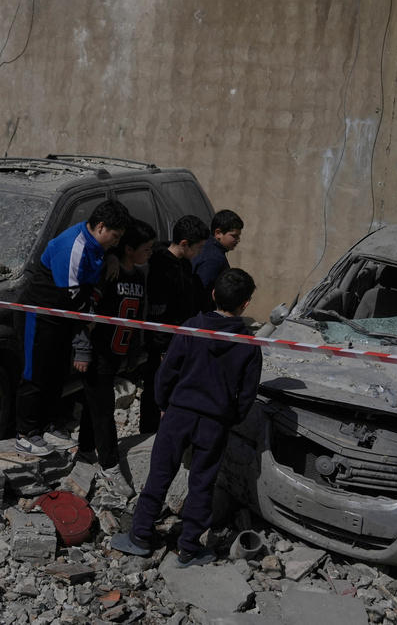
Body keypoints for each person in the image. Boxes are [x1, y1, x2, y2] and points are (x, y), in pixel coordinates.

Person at [111, 268, 262, 568]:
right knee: (202, 482)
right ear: (245, 305)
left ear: (213, 294)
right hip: (214, 422)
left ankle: (140, 536)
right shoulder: (249, 345)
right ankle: (189, 548)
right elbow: (247, 395)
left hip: (178, 414)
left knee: (159, 475)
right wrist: (229, 418)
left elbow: (166, 373)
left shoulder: (192, 327)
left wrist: (164, 403)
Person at [15, 199, 132, 456]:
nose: (117, 242)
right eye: (115, 237)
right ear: (101, 227)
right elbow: (75, 298)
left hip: (64, 317)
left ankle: (48, 425)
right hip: (40, 314)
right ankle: (25, 433)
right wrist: (89, 323)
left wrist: (112, 253)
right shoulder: (73, 247)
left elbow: (81, 295)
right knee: (35, 375)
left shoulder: (96, 242)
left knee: (56, 374)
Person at [73, 218, 156, 496]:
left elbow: (136, 317)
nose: (150, 253)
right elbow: (86, 312)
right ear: (128, 248)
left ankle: (85, 450)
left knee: (94, 406)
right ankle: (110, 468)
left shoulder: (139, 276)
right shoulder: (108, 272)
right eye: (146, 248)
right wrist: (83, 350)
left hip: (118, 352)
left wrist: (133, 353)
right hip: (98, 353)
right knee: (104, 410)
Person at [140, 214, 209, 433]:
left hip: (181, 337)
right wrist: (162, 347)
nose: (201, 252)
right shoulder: (162, 267)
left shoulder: (185, 265)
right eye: (199, 247)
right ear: (184, 243)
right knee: (156, 385)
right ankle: (150, 430)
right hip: (164, 341)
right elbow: (157, 311)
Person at [192, 209, 244, 312]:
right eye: (234, 236)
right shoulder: (214, 258)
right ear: (218, 233)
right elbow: (203, 292)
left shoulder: (208, 248)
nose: (238, 240)